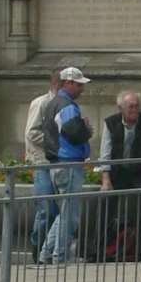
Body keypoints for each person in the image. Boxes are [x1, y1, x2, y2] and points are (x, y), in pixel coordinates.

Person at [95, 90, 141, 259]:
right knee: (105, 203)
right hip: (117, 171)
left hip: (139, 172)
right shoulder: (111, 123)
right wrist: (106, 180)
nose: (134, 110)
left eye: (136, 106)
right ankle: (98, 249)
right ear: (121, 108)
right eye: (130, 106)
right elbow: (105, 153)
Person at [40, 66, 93, 265]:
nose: (82, 89)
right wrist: (86, 130)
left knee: (64, 212)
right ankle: (59, 257)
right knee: (70, 214)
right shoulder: (67, 105)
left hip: (56, 163)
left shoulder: (52, 103)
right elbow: (74, 133)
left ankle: (46, 253)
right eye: (79, 85)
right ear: (68, 83)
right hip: (68, 163)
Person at [24, 65, 62, 263]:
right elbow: (32, 132)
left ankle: (48, 249)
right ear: (56, 83)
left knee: (56, 209)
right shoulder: (41, 103)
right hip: (43, 162)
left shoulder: (64, 104)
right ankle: (38, 246)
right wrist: (57, 141)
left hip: (59, 161)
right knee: (46, 208)